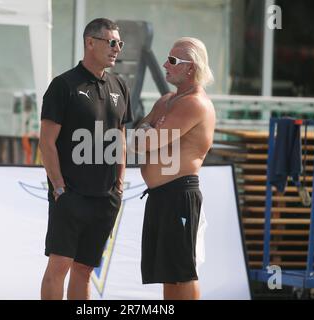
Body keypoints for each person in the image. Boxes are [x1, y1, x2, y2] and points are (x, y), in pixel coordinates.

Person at [39, 18, 133, 300]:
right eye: (111, 42)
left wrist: (119, 184)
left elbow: (121, 139)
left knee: (84, 270)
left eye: (120, 43)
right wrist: (59, 189)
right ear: (90, 43)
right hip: (70, 194)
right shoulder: (63, 85)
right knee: (60, 266)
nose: (117, 48)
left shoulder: (120, 86)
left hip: (105, 197)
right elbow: (46, 142)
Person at [134, 37, 215, 300]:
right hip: (161, 196)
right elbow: (138, 137)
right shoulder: (167, 100)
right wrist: (148, 132)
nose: (164, 64)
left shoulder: (194, 103)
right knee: (169, 273)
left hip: (180, 195)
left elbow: (147, 141)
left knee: (183, 272)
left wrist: (150, 131)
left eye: (172, 60)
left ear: (191, 68)